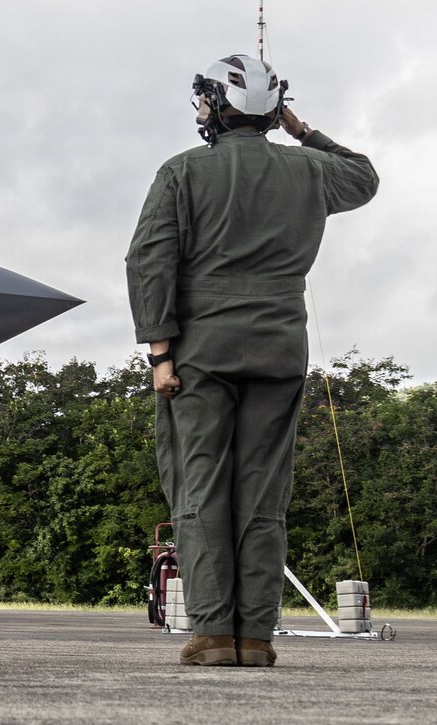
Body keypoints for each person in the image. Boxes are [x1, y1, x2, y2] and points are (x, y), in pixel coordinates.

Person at [125, 54, 378, 667]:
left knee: (200, 486)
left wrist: (160, 352)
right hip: (280, 348)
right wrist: (303, 130)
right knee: (263, 493)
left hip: (200, 351)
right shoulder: (311, 169)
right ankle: (257, 636)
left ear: (214, 105)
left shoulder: (182, 171)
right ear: (274, 109)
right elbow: (364, 177)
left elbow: (150, 261)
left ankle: (213, 632)